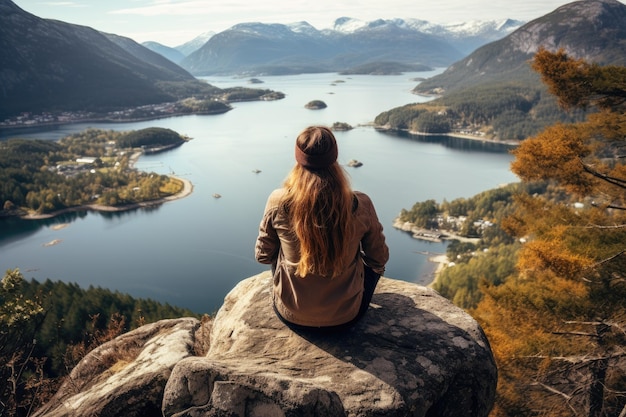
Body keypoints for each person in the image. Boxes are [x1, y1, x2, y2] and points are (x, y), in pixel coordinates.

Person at [255, 126, 389, 332]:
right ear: (334, 157)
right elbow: (379, 258)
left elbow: (263, 256)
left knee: (279, 250)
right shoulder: (360, 203)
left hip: (291, 314)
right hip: (347, 316)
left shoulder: (278, 201)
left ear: (298, 159)